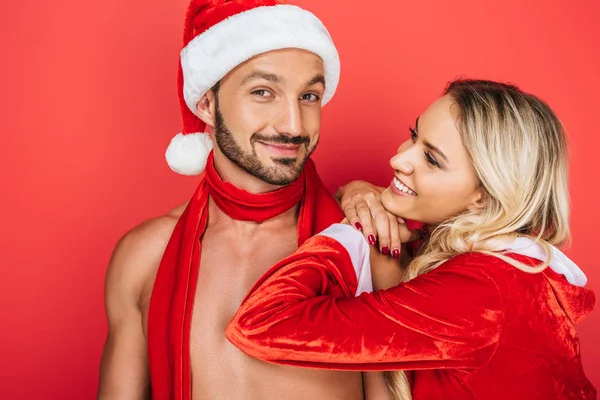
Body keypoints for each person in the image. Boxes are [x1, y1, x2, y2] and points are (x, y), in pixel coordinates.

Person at [226, 79, 597, 399]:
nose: (398, 160)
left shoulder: (484, 291)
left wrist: (350, 234)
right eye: (414, 136)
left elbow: (260, 323)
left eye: (432, 159)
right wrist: (357, 194)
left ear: (485, 194)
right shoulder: (507, 273)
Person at [97, 0, 375, 399]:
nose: (293, 125)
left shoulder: (362, 242)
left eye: (309, 96)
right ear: (207, 105)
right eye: (263, 92)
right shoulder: (145, 255)